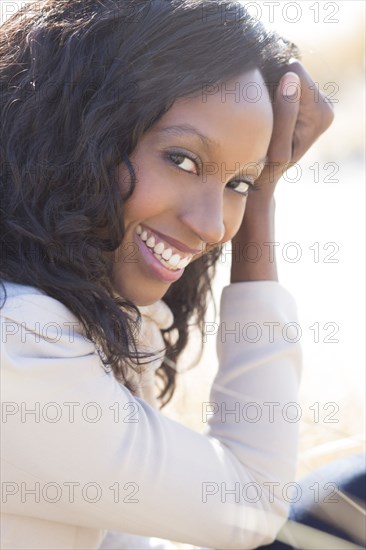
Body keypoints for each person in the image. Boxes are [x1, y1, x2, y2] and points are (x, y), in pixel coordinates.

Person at [0, 1, 334, 549]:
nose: (212, 226)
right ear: (77, 136)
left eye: (240, 185)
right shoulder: (19, 340)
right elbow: (249, 504)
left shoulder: (74, 305)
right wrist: (265, 199)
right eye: (182, 160)